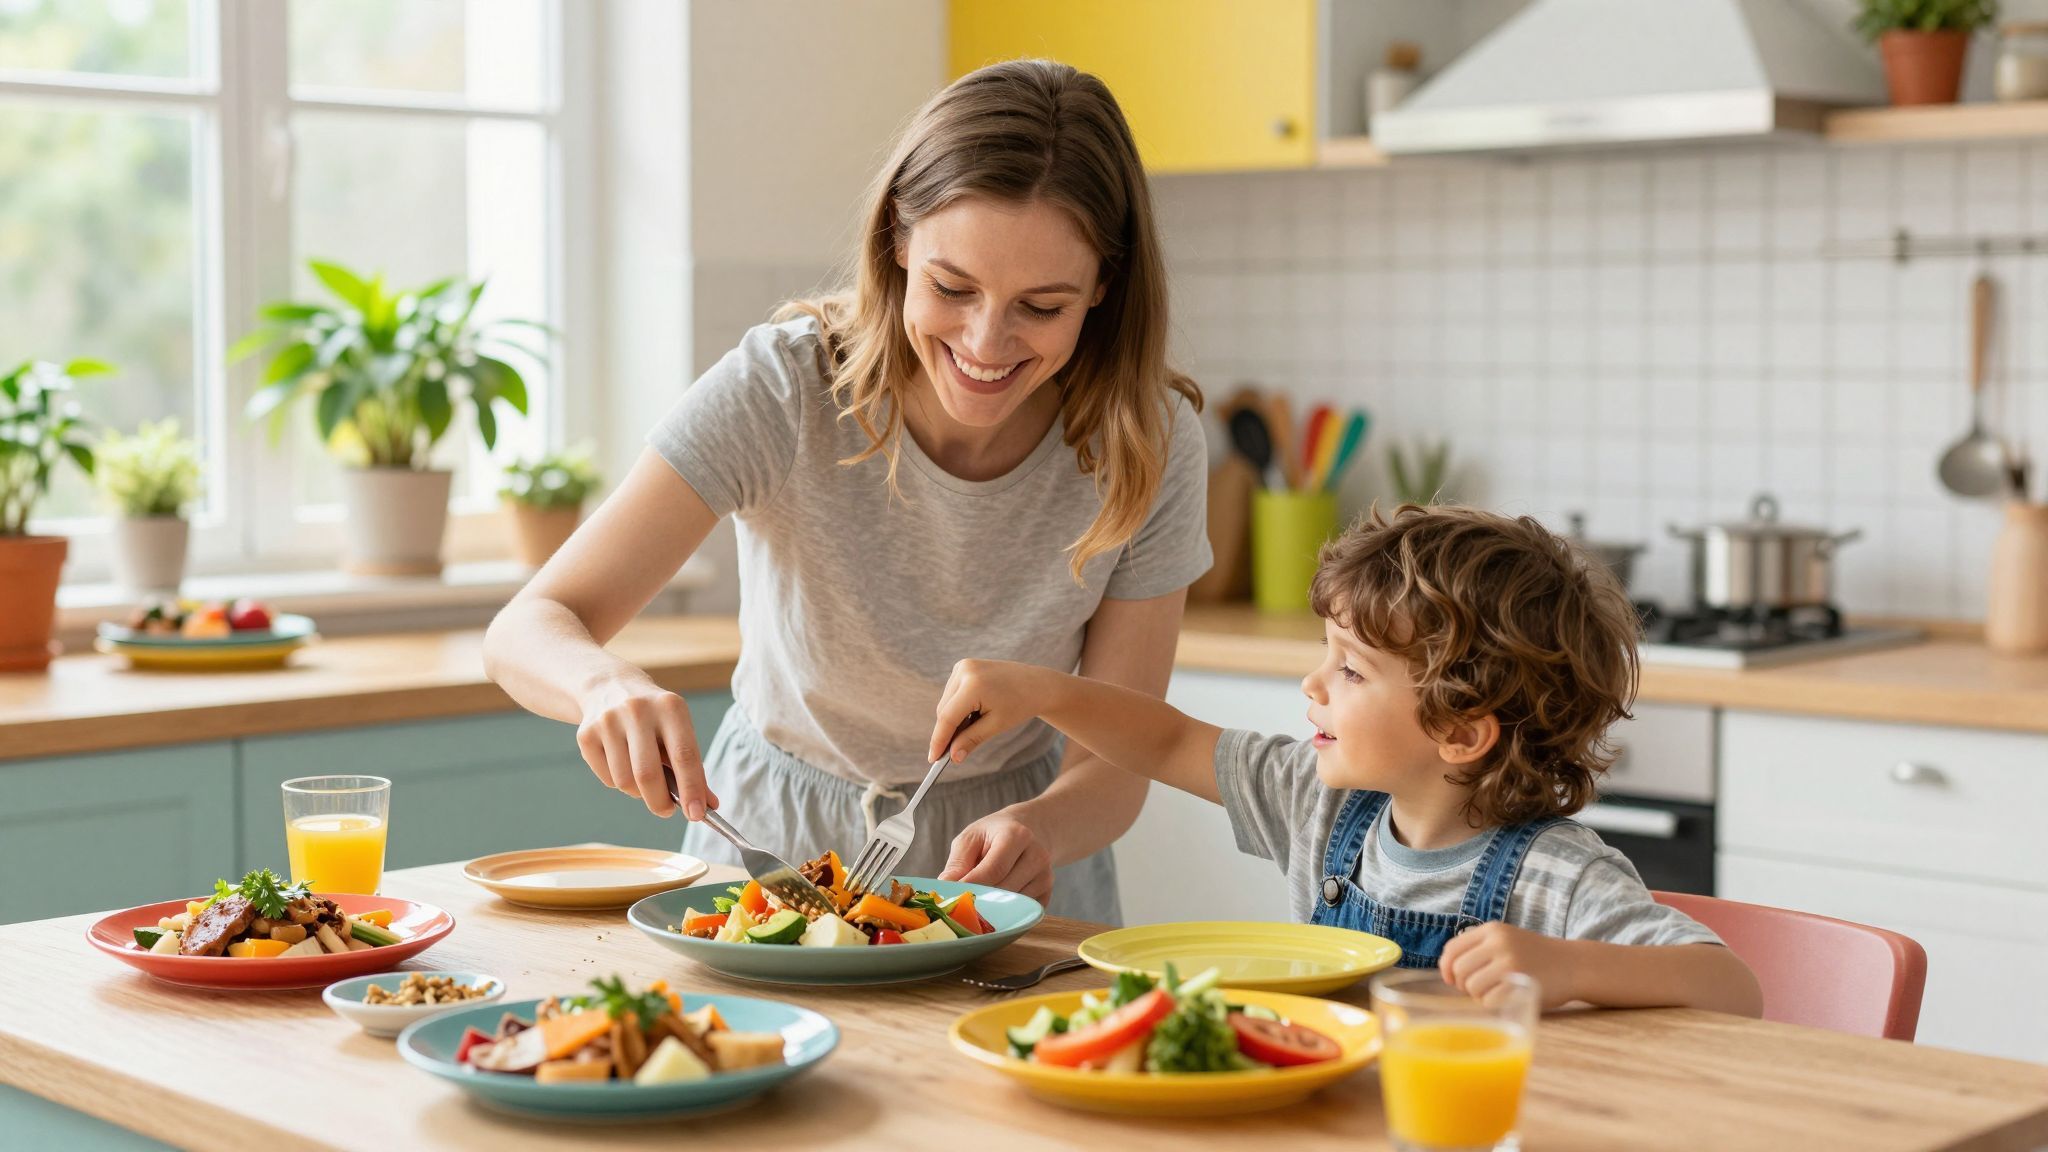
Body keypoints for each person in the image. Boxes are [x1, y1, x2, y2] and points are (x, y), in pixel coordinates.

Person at [483, 59, 1211, 922]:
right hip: (768, 845)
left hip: (1012, 875)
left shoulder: (1148, 441)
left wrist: (1043, 827)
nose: (986, 341)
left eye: (1042, 307)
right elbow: (527, 628)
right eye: (952, 288)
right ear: (899, 240)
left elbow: (1119, 761)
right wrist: (604, 687)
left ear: (1103, 287)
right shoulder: (786, 388)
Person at [928, 505, 1763, 1013]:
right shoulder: (1316, 801)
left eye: (1351, 669)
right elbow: (1169, 739)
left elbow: (1732, 988)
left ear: (1463, 732)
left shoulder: (1558, 875)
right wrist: (1039, 690)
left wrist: (1572, 966)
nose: (1313, 684)